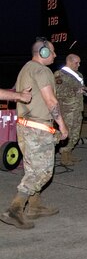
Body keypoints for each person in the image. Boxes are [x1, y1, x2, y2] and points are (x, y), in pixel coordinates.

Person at [1, 38, 68, 230]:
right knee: (42, 172)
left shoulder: (26, 68)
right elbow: (51, 101)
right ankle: (14, 209)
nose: (55, 55)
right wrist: (62, 126)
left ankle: (35, 206)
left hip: (24, 126)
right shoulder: (42, 70)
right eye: (52, 52)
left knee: (32, 168)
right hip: (38, 128)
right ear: (44, 53)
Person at [54, 53, 87, 166]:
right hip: (66, 109)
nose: (79, 65)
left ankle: (69, 152)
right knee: (67, 132)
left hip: (78, 108)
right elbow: (58, 92)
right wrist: (76, 91)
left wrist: (86, 91)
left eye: (79, 63)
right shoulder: (59, 74)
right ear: (69, 62)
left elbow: (81, 88)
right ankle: (64, 155)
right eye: (76, 63)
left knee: (75, 133)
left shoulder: (78, 75)